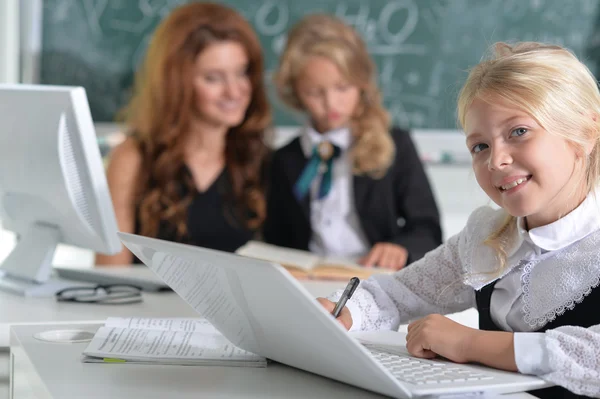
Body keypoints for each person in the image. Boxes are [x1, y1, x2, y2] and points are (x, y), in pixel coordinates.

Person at [319, 42, 600, 399]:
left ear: (586, 133)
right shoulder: (486, 234)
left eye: (519, 132)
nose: (496, 161)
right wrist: (343, 311)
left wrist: (471, 343)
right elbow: (399, 293)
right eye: (479, 146)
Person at [96, 2, 271, 265]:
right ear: (177, 83)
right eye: (213, 78)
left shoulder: (263, 160)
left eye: (242, 72)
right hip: (143, 307)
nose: (234, 92)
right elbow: (109, 274)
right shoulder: (132, 158)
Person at [263, 14, 442, 271]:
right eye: (314, 92)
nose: (331, 104)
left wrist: (400, 247)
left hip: (374, 280)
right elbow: (277, 238)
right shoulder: (284, 159)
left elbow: (427, 228)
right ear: (296, 92)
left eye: (342, 88)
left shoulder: (395, 144)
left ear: (361, 84)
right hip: (309, 284)